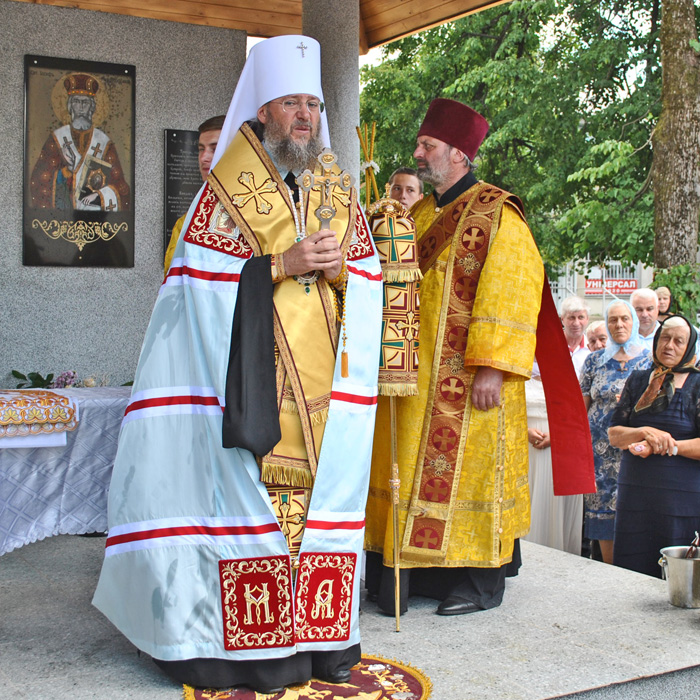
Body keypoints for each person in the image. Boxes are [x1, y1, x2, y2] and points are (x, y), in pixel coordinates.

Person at [92, 35, 383, 694]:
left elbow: (373, 285)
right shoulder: (222, 196)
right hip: (251, 398)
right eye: (291, 104)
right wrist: (280, 265)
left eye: (312, 104)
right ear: (262, 112)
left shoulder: (338, 193)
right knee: (249, 522)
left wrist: (345, 276)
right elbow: (195, 290)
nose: (305, 116)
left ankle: (320, 644)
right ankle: (246, 651)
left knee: (314, 522)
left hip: (324, 412)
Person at [365, 98, 594, 617]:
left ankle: (478, 581)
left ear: (459, 154)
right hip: (415, 376)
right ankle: (418, 573)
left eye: (428, 146)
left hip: (469, 379)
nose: (418, 154)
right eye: (421, 144)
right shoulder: (422, 212)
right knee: (409, 467)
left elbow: (515, 287)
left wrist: (492, 365)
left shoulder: (499, 213)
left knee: (470, 473)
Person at [609, 315, 700, 577]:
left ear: (690, 347)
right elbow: (615, 435)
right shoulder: (638, 380)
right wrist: (642, 431)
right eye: (664, 338)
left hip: (681, 497)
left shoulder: (697, 385)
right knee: (632, 567)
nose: (669, 346)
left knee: (678, 571)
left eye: (678, 341)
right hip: (636, 493)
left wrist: (668, 445)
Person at [579, 300, 651, 564]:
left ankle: (635, 568)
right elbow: (581, 407)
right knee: (601, 510)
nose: (619, 325)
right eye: (612, 320)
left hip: (634, 450)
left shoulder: (649, 360)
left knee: (634, 507)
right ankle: (610, 570)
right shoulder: (594, 360)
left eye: (624, 319)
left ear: (633, 322)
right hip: (598, 450)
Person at [30, 73, 131, 211]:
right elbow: (39, 181)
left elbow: (121, 189)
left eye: (86, 102)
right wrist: (65, 172)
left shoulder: (104, 142)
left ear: (92, 107)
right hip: (64, 220)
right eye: (77, 101)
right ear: (70, 106)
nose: (81, 107)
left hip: (96, 221)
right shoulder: (57, 139)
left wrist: (98, 196)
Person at [524, 361, 584, 554]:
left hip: (559, 449)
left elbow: (578, 416)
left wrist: (558, 435)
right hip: (526, 448)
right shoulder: (519, 378)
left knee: (553, 508)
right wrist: (523, 431)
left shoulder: (567, 380)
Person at [164, 115, 225, 274]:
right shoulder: (186, 221)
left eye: (215, 148)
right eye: (200, 149)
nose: (204, 158)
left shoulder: (257, 211)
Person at [561, 296, 591, 377]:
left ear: (587, 319)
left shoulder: (593, 348)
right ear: (562, 319)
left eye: (581, 317)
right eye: (571, 318)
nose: (576, 323)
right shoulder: (551, 346)